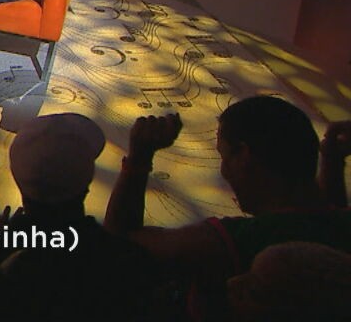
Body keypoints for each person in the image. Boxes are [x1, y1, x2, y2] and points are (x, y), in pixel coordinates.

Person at [105, 98, 351, 320]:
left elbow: (118, 243)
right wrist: (332, 161)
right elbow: (325, 215)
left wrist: (139, 159)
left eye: (224, 156)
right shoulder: (338, 228)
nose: (224, 172)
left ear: (244, 156)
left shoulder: (230, 242)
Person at [0, 114, 159, 321]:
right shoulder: (123, 262)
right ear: (88, 179)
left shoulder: (7, 277)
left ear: (17, 179)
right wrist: (139, 161)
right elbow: (119, 242)